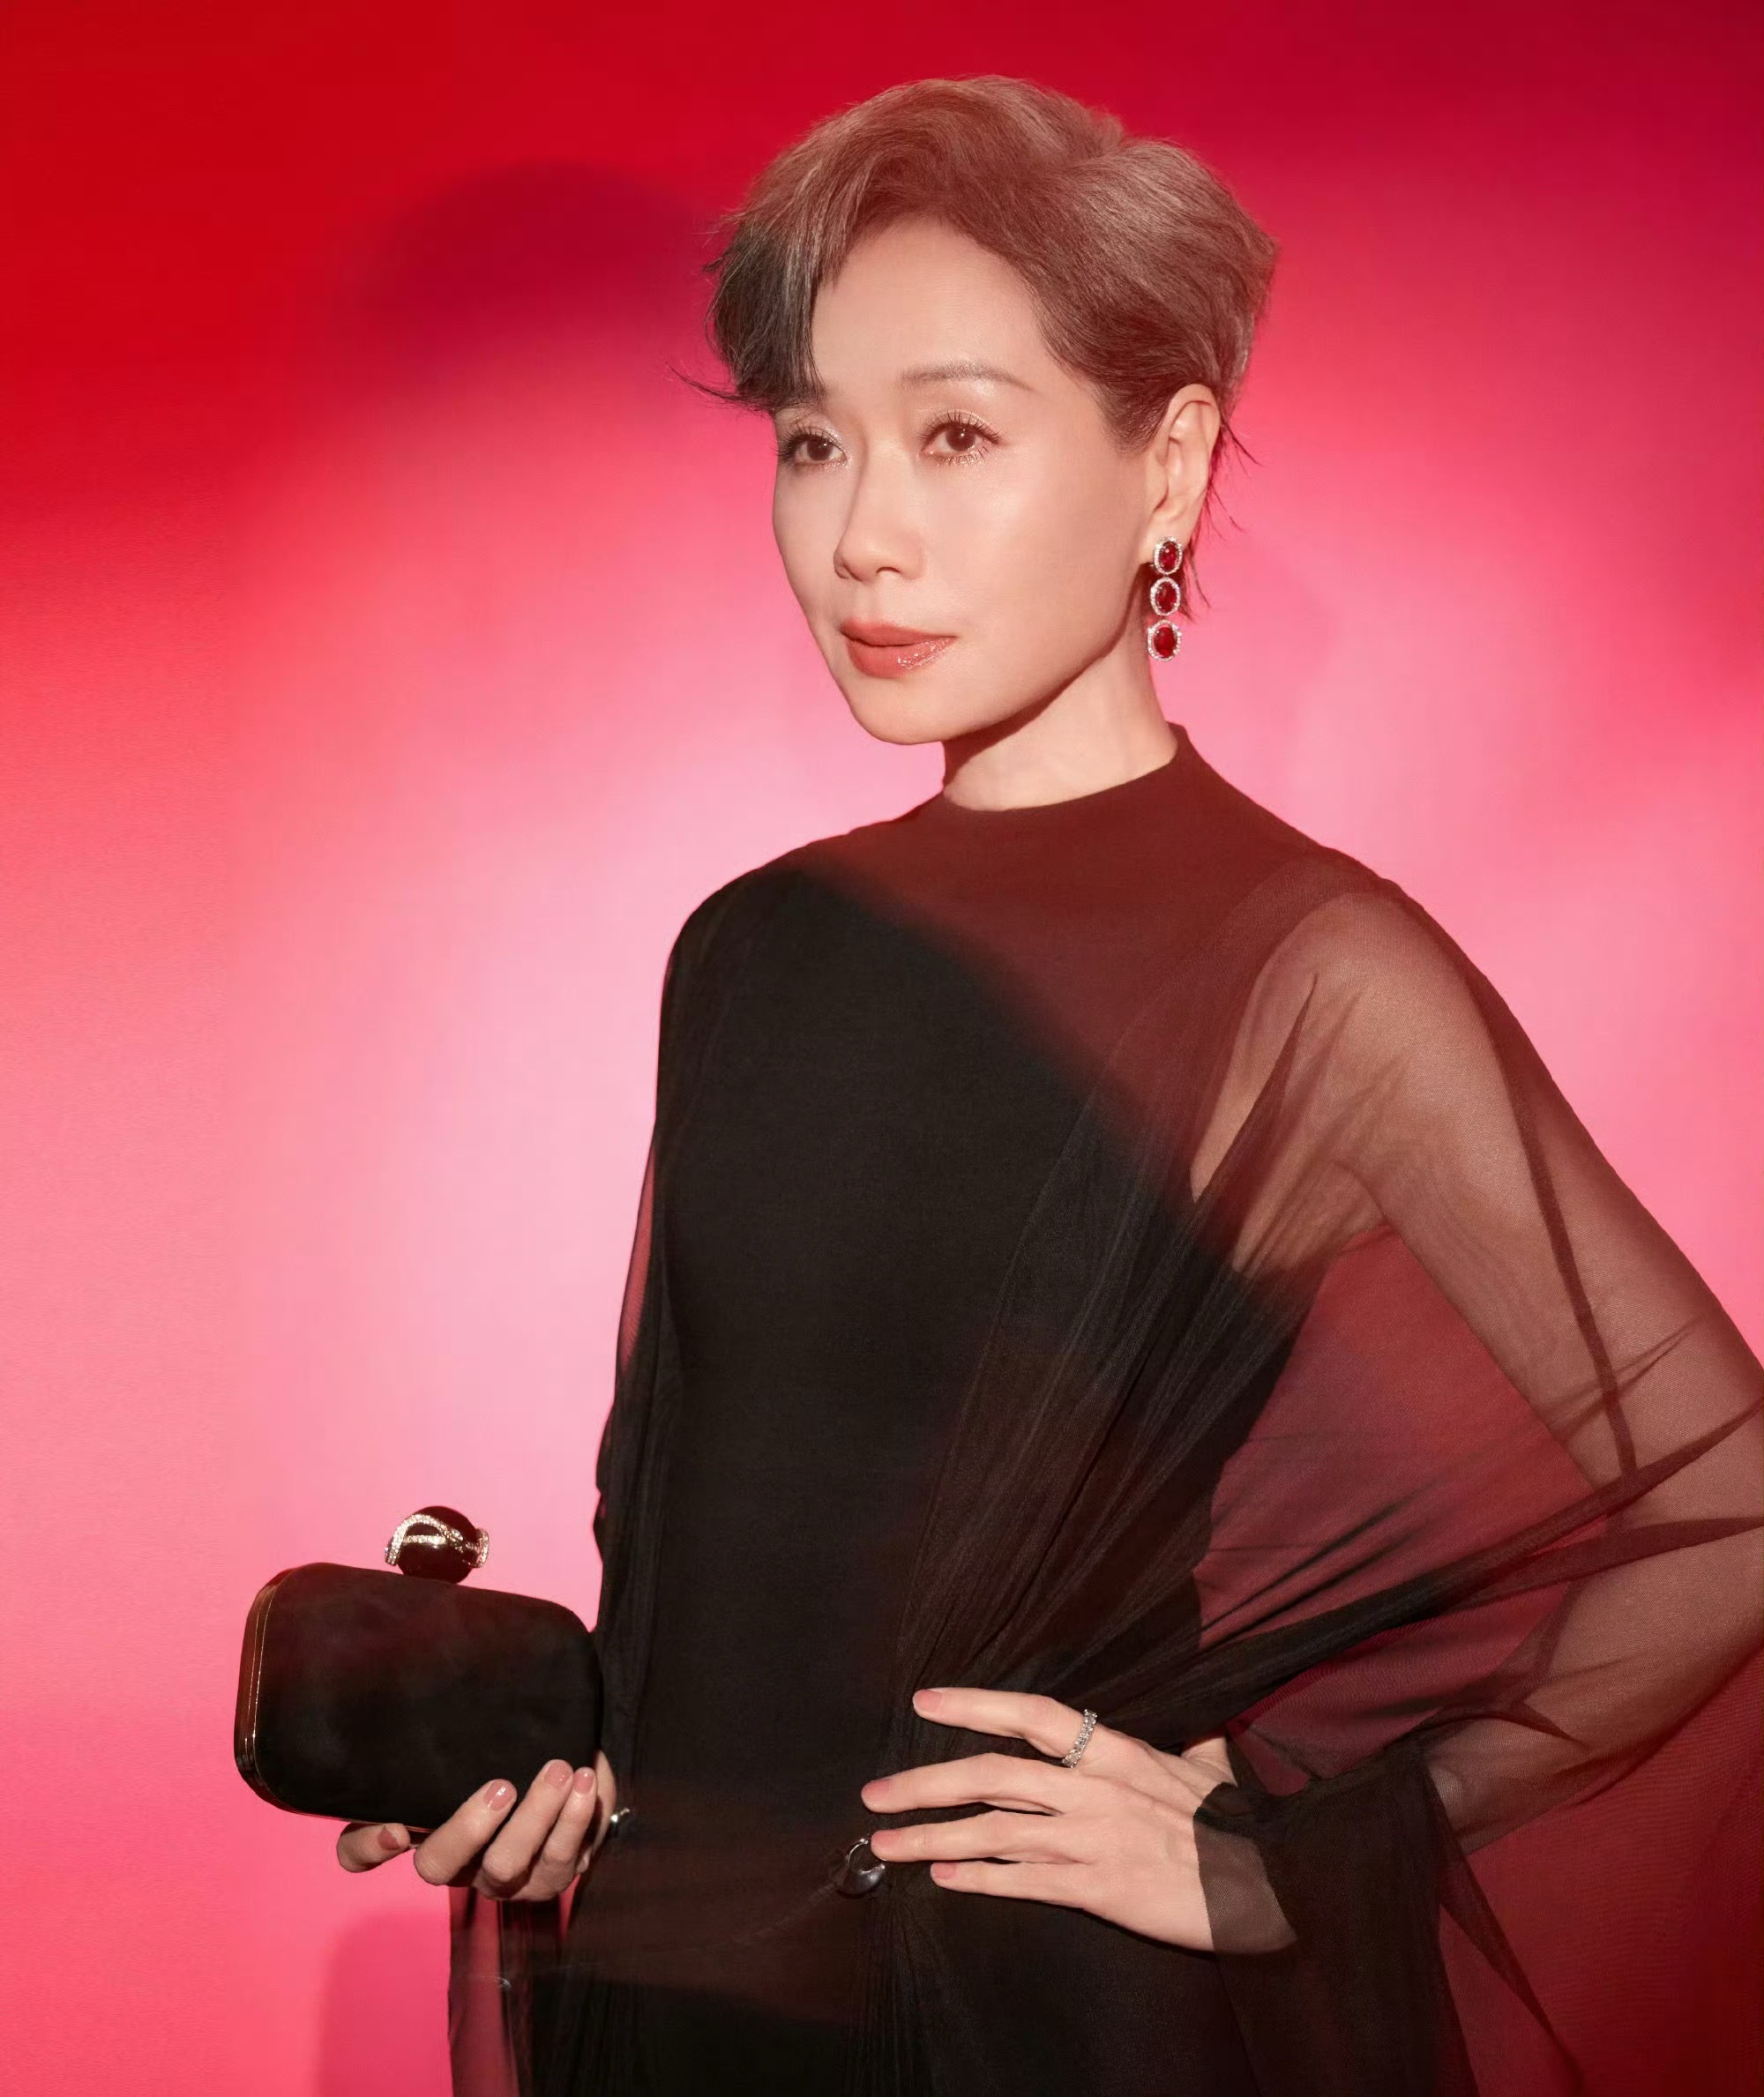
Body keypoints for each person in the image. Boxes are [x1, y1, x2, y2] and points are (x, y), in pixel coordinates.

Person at [335, 77, 1764, 2097]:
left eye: (954, 435)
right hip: (685, 2018)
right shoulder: (748, 949)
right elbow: (700, 1578)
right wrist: (549, 1780)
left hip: (1025, 2025)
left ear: (1164, 463)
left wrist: (1272, 1865)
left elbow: (1722, 1509)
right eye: (811, 440)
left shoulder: (1306, 970)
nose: (861, 533)